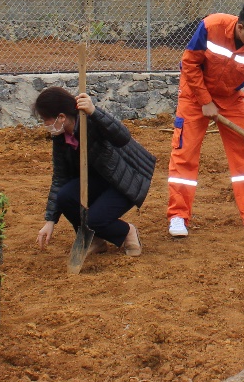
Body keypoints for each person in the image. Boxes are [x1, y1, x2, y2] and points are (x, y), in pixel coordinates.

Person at [167, 0, 244, 236]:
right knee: (184, 153)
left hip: (231, 97)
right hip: (194, 93)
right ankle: (178, 216)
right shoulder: (212, 26)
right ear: (241, 27)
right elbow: (189, 64)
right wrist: (205, 101)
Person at [34, 88, 155, 258]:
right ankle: (95, 240)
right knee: (65, 196)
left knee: (94, 220)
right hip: (98, 180)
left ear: (61, 117)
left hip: (124, 179)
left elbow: (122, 137)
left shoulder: (89, 121)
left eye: (45, 120)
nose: (45, 125)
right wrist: (50, 221)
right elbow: (60, 177)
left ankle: (127, 232)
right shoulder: (60, 138)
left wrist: (94, 112)